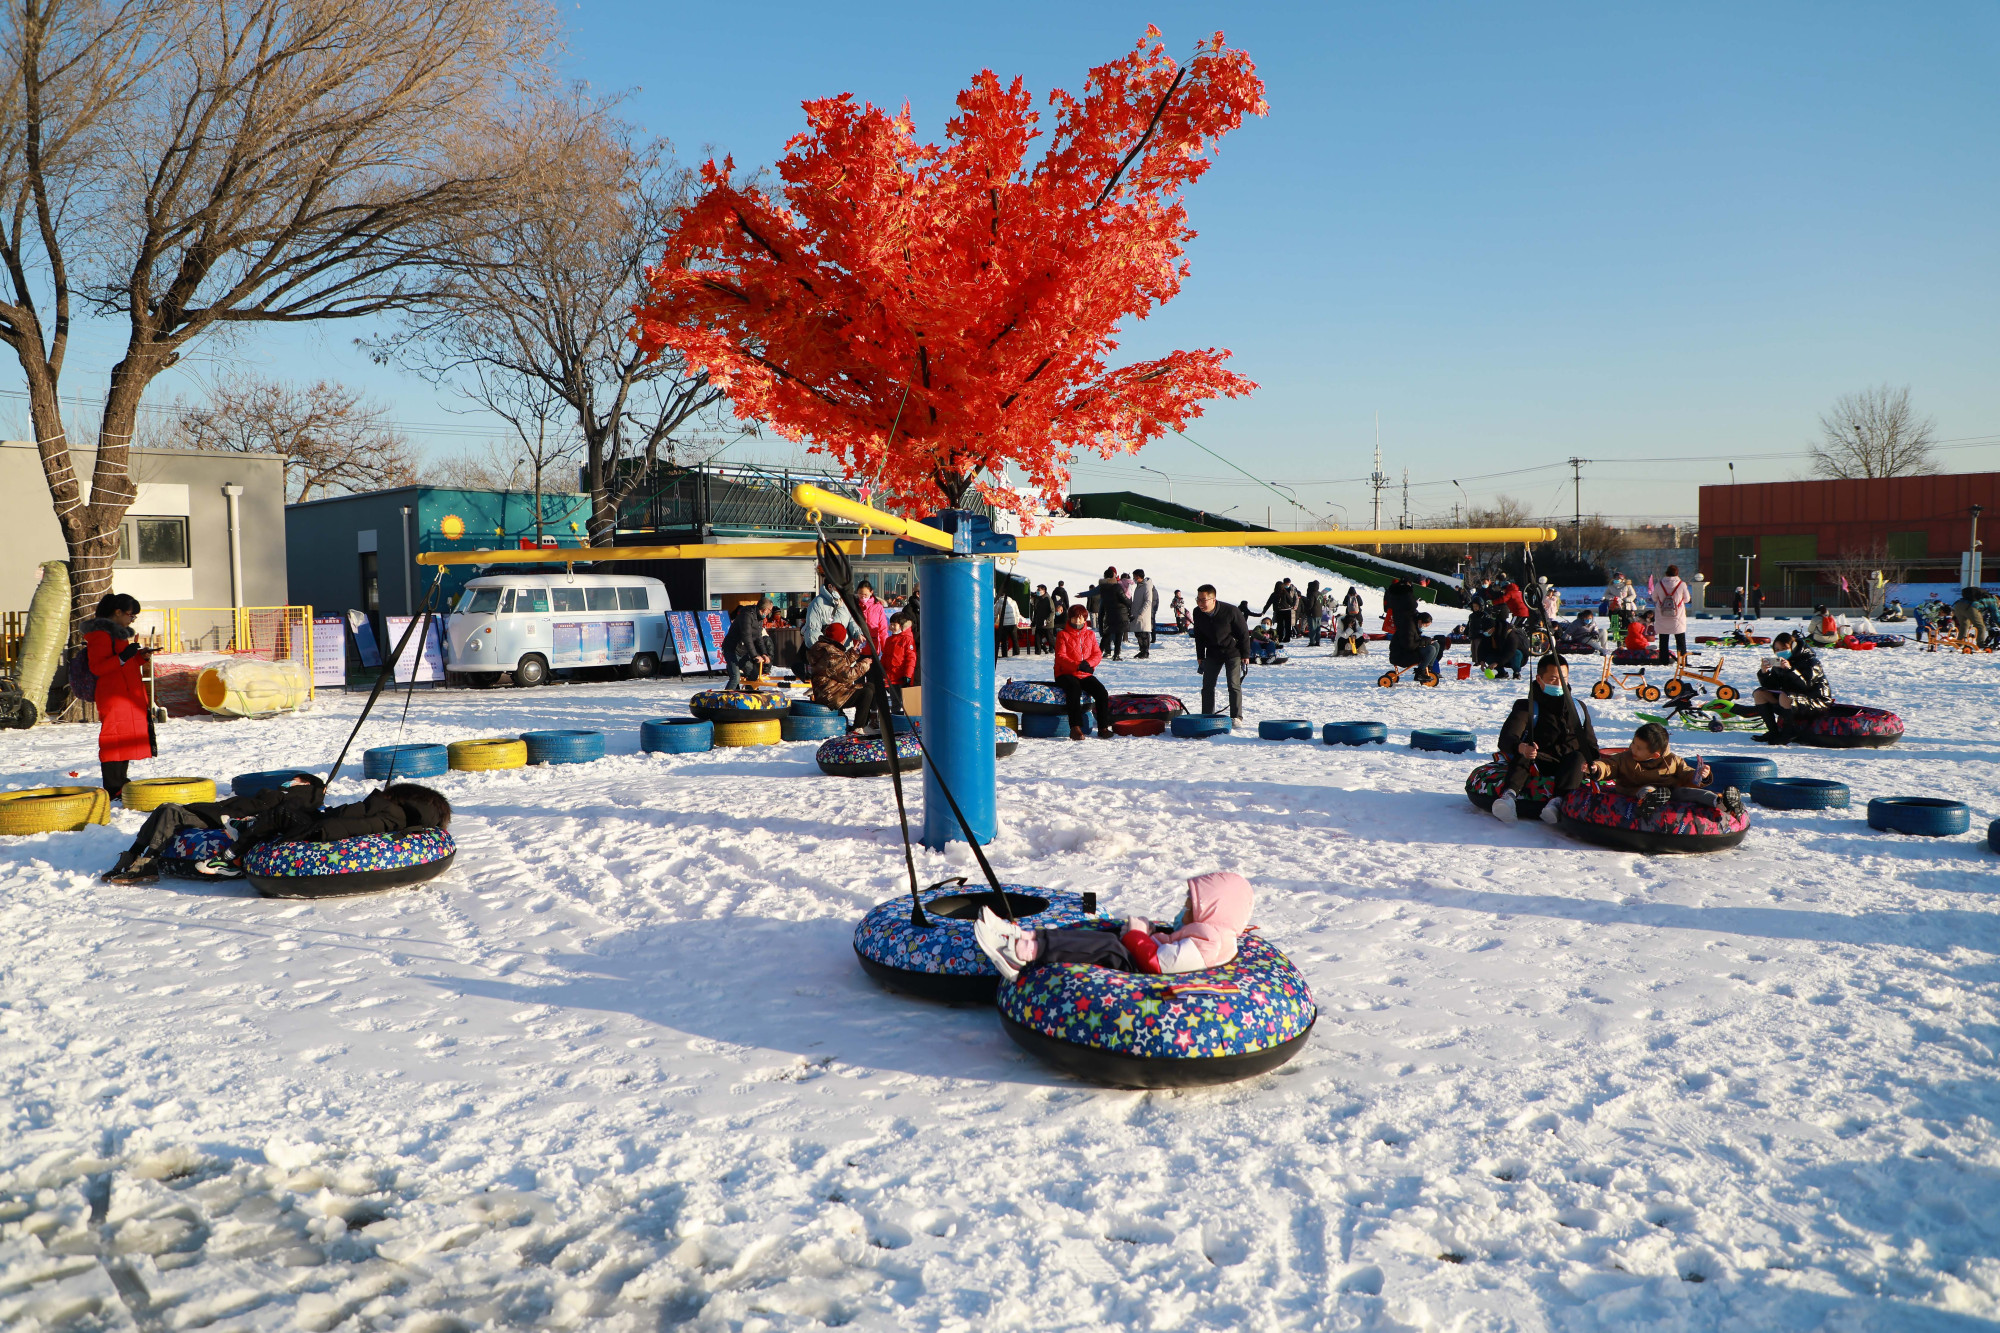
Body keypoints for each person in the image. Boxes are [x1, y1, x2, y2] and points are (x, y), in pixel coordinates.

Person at [972, 871, 1253, 984]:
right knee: (1102, 934)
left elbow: (1160, 964)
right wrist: (1154, 935)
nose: (1185, 908)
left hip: (1142, 970)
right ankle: (1025, 937)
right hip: (1144, 959)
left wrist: (1138, 936)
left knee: (1107, 946)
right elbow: (1174, 949)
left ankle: (1021, 952)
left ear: (1213, 910)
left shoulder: (1212, 941)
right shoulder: (1210, 933)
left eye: (1191, 904)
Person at [102, 773, 328, 884]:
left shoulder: (297, 798)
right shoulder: (276, 792)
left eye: (296, 780)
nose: (291, 781)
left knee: (170, 811)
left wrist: (318, 790)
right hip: (217, 810)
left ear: (306, 785)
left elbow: (305, 809)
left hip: (224, 819)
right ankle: (133, 854)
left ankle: (149, 862)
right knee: (164, 808)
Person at [1490, 655, 1601, 824]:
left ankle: (1557, 802)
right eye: (1553, 679)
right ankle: (1509, 797)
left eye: (1563, 679)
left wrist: (1593, 762)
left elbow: (1591, 744)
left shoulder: (1578, 708)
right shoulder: (1526, 707)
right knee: (1526, 753)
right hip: (1538, 761)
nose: (1559, 684)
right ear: (1539, 680)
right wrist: (1522, 748)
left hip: (1569, 764)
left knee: (1579, 757)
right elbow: (1506, 738)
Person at [82, 592, 156, 800]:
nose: (132, 620)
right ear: (118, 612)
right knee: (114, 738)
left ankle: (121, 782)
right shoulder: (100, 635)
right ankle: (113, 785)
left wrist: (140, 657)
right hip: (114, 695)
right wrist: (124, 656)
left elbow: (123, 664)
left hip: (126, 694)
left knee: (124, 738)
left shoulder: (117, 635)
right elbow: (98, 667)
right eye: (131, 615)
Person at [1594, 722, 1744, 818]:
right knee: (1647, 789)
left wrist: (1700, 775)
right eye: (1633, 743)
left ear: (1655, 755)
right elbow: (1609, 765)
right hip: (1637, 789)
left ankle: (1722, 803)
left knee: (1691, 792)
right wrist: (1596, 767)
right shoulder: (1625, 758)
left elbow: (1686, 774)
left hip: (1670, 791)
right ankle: (1648, 802)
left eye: (1638, 748)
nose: (1632, 748)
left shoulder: (1673, 760)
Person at [1750, 632, 1834, 743]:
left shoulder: (1811, 662)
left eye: (1784, 648)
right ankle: (1773, 731)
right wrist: (1764, 672)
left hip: (1817, 702)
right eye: (1777, 649)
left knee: (1785, 696)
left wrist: (1790, 670)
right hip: (1791, 701)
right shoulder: (1780, 663)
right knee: (1760, 694)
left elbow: (1806, 686)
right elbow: (1772, 687)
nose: (1780, 652)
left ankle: (1789, 732)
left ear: (1793, 647)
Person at [1052, 603, 1113, 740]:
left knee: (1101, 692)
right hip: (1065, 673)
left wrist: (1088, 664)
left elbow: (1097, 653)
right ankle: (1075, 728)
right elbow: (1061, 657)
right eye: (1075, 618)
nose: (1078, 621)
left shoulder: (1090, 634)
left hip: (1084, 673)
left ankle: (1103, 727)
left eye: (1081, 618)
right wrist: (1078, 665)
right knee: (1074, 689)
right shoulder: (1063, 635)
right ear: (1070, 618)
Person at [806, 622, 880, 731]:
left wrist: (853, 653)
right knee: (866, 693)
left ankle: (864, 723)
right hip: (831, 695)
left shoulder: (823, 648)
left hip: (826, 690)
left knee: (869, 687)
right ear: (841, 638)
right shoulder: (831, 653)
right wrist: (864, 664)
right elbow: (847, 675)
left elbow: (835, 668)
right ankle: (858, 727)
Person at [1191, 584, 1250, 719]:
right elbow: (1198, 635)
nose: (1200, 603)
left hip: (1232, 652)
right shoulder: (1197, 612)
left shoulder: (1231, 611)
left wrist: (1245, 654)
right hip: (1212, 652)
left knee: (1233, 685)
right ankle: (1207, 716)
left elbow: (1243, 634)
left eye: (1203, 600)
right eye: (1198, 599)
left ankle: (1236, 717)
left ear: (1213, 599)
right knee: (1207, 686)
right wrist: (1200, 655)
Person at [1383, 577, 1440, 683]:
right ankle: (1420, 672)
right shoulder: (1408, 622)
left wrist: (1426, 641)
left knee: (1436, 645)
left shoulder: (1410, 617)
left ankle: (1428, 669)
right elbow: (1409, 645)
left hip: (1407, 648)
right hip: (1403, 654)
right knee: (1430, 649)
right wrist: (1426, 641)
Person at [722, 595, 774, 690]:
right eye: (770, 610)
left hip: (743, 651)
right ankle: (725, 701)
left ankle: (748, 698)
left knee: (753, 675)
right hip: (732, 648)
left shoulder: (759, 618)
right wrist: (754, 656)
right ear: (765, 609)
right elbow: (747, 637)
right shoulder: (746, 615)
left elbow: (759, 637)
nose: (770, 612)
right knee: (735, 678)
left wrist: (764, 653)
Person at [801, 578, 859, 646]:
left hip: (845, 649)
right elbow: (813, 630)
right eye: (839, 587)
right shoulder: (817, 603)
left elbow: (852, 620)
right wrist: (825, 648)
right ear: (830, 587)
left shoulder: (845, 601)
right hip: (827, 651)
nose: (842, 590)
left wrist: (858, 634)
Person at [1655, 564, 1692, 662]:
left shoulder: (1659, 584)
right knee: (1680, 640)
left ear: (1666, 573)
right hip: (1677, 616)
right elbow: (1687, 599)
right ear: (1677, 573)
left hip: (1662, 615)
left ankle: (1663, 660)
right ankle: (1682, 661)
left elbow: (1654, 598)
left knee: (1663, 640)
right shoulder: (1682, 584)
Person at [1095, 566, 1131, 662]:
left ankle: (1098, 653)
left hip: (1109, 613)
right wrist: (1130, 603)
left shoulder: (1103, 588)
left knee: (1107, 634)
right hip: (1119, 613)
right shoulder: (1116, 587)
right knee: (1119, 634)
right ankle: (1116, 655)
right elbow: (1124, 599)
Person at [881, 613, 917, 690]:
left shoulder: (907, 639)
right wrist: (881, 669)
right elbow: (885, 656)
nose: (892, 627)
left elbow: (911, 659)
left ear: (901, 625)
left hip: (901, 678)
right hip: (890, 678)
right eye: (891, 624)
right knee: (895, 700)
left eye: (894, 625)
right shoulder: (889, 640)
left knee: (904, 700)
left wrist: (908, 675)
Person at [1129, 569, 1159, 659]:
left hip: (1142, 614)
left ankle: (1145, 651)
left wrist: (1141, 612)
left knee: (1143, 634)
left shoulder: (1146, 586)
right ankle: (1142, 650)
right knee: (1138, 633)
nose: (1133, 579)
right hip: (1136, 613)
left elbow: (1148, 601)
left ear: (1138, 577)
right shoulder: (1139, 586)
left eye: (1134, 577)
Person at [855, 581, 890, 653]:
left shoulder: (878, 607)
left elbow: (883, 629)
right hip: (857, 646)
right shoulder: (854, 605)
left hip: (873, 646)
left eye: (865, 594)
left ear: (871, 592)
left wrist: (885, 648)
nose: (863, 597)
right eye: (860, 594)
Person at [994, 585, 1021, 658]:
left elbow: (995, 614)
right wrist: (1017, 622)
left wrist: (994, 622)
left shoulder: (999, 602)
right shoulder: (1013, 602)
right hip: (1013, 623)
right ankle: (1017, 654)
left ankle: (1004, 655)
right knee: (1015, 639)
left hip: (1004, 624)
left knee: (1004, 640)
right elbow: (1017, 613)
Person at [1030, 583, 1055, 654]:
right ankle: (1037, 653)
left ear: (1044, 591)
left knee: (1050, 640)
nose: (1037, 591)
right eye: (1037, 589)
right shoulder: (1038, 599)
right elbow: (1036, 611)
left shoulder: (1048, 599)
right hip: (1039, 623)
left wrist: (1048, 620)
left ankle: (1059, 650)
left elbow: (1052, 611)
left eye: (1039, 590)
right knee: (1037, 639)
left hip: (1047, 624)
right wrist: (1034, 622)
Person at [1303, 581, 1325, 647]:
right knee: (1318, 628)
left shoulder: (1312, 594)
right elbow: (1323, 603)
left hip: (1312, 613)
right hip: (1319, 613)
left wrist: (1306, 608)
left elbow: (1310, 605)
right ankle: (1317, 641)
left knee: (1312, 628)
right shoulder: (1320, 594)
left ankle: (1312, 642)